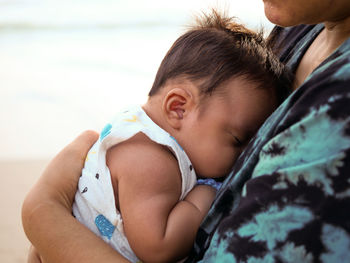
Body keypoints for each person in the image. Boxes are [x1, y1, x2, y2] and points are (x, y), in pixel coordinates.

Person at [22, 0, 350, 262]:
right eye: (238, 142)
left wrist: (45, 213)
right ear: (178, 108)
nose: (244, 156)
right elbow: (159, 246)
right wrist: (203, 197)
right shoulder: (151, 163)